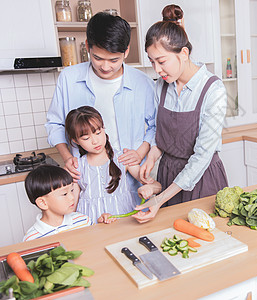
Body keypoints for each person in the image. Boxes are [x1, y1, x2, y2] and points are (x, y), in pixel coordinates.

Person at [45, 12, 156, 202]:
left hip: (131, 179)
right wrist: (67, 157)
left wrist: (141, 152)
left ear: (126, 51)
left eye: (114, 60)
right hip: (86, 182)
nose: (105, 67)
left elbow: (157, 125)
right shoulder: (69, 78)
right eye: (98, 58)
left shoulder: (142, 83)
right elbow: (55, 124)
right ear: (88, 46)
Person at [133, 18, 228, 223]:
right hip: (168, 174)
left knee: (206, 240)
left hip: (202, 178)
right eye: (152, 61)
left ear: (183, 54)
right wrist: (151, 158)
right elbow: (163, 134)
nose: (157, 69)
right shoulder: (162, 85)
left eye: (161, 61)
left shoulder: (213, 90)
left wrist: (160, 199)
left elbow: (202, 155)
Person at [65, 106, 162, 223]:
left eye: (98, 132)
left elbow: (158, 186)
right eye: (86, 138)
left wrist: (150, 188)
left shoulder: (122, 158)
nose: (95, 141)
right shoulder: (77, 167)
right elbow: (71, 208)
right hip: (91, 229)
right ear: (75, 141)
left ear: (104, 128)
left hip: (124, 225)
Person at [23, 165, 114, 242]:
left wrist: (102, 225)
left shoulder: (83, 221)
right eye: (64, 194)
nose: (72, 197)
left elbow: (97, 243)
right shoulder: (32, 239)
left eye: (72, 190)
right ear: (43, 203)